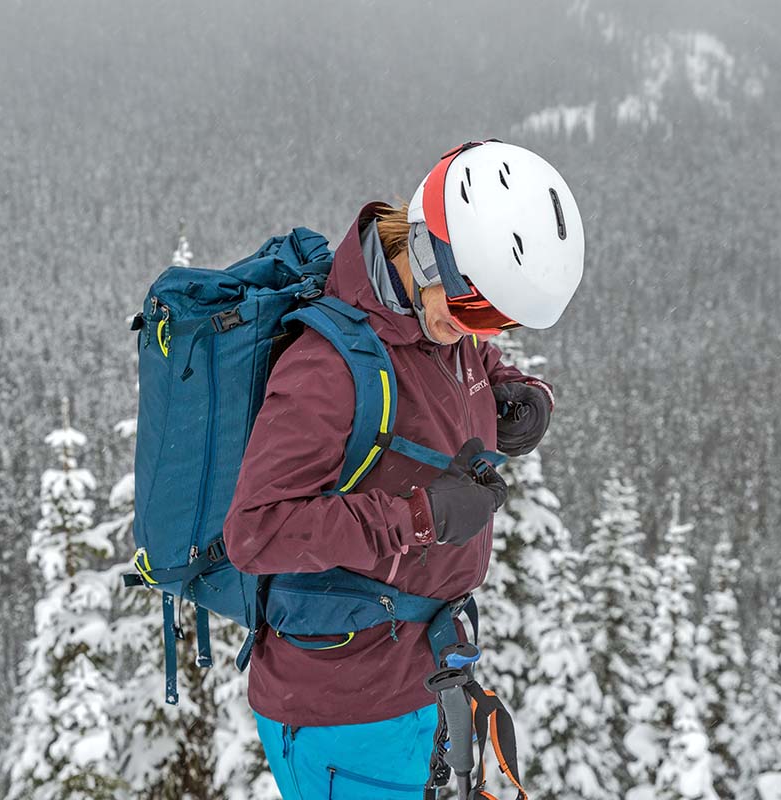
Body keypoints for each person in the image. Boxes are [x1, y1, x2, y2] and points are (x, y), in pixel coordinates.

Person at [223, 139, 584, 799]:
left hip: (417, 673)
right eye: (478, 311)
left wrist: (512, 390)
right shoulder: (325, 370)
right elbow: (255, 530)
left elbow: (457, 354)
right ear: (426, 252)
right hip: (345, 714)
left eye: (500, 319)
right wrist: (419, 517)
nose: (482, 329)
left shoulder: (437, 313)